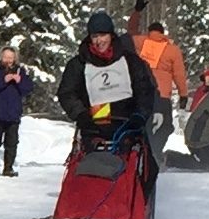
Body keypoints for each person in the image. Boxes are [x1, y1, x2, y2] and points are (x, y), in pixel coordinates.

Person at [57, 10, 156, 145]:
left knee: (146, 163)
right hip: (92, 128)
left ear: (111, 35)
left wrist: (140, 115)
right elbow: (67, 93)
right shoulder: (79, 64)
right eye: (95, 36)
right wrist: (80, 114)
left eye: (103, 35)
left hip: (128, 125)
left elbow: (144, 89)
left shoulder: (130, 61)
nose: (99, 41)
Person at [128, 0, 188, 161]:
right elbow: (179, 74)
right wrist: (183, 95)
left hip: (141, 93)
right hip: (161, 95)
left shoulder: (141, 42)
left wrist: (137, 11)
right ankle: (153, 154)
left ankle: (141, 154)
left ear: (149, 32)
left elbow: (130, 32)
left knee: (142, 124)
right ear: (163, 34)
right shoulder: (172, 50)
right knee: (165, 126)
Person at [0, 46, 34, 177]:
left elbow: (28, 89)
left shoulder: (20, 71)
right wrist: (4, 80)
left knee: (11, 142)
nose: (8, 60)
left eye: (11, 58)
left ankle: (8, 168)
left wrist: (20, 81)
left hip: (13, 113)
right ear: (1, 57)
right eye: (6, 57)